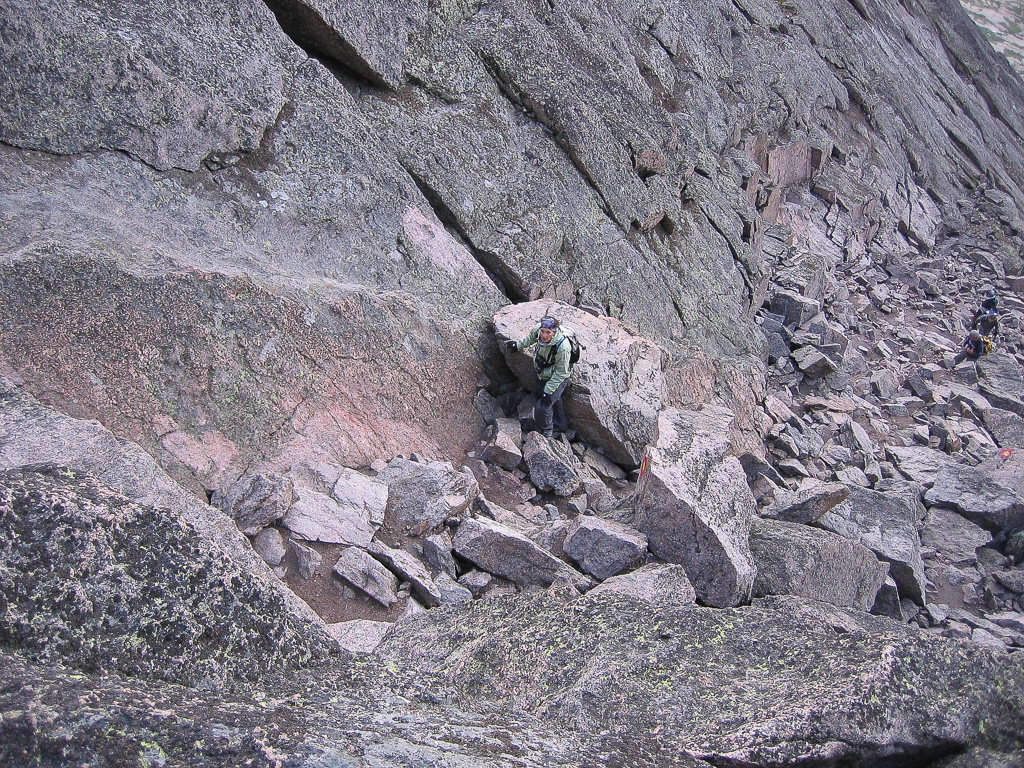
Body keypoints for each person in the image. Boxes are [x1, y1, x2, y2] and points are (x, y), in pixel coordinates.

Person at [505, 315, 574, 438]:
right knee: (554, 399)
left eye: (548, 332)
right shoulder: (538, 330)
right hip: (542, 373)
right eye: (542, 331)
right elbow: (530, 339)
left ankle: (547, 431)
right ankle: (561, 425)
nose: (544, 335)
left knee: (542, 406)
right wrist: (518, 345)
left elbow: (561, 372)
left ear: (554, 332)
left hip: (558, 377)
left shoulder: (563, 347)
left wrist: (548, 391)